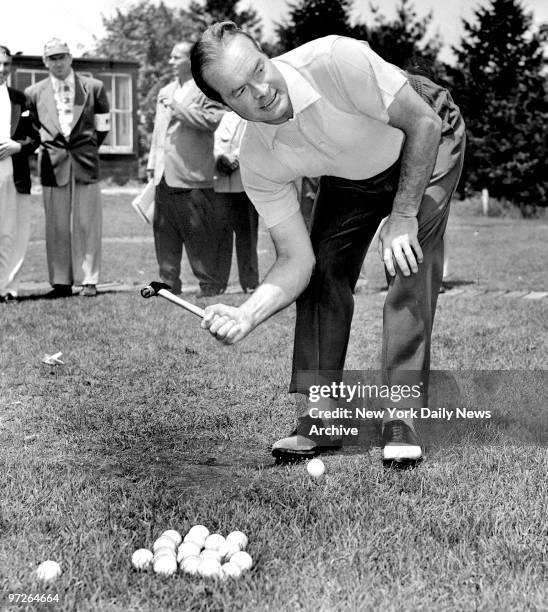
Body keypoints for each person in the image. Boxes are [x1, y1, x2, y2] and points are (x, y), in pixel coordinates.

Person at [191, 23, 465, 465]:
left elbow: (424, 123)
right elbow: (295, 260)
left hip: (427, 133)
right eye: (239, 91)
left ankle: (401, 416)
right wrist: (247, 314)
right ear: (222, 104)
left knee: (407, 258)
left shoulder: (336, 60)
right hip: (354, 169)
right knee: (321, 269)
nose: (261, 91)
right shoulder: (259, 159)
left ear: (266, 52)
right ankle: (323, 417)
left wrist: (402, 215)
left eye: (259, 69)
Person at [26, 39, 110, 298]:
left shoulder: (93, 87)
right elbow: (31, 130)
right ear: (45, 62)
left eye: (62, 56)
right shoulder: (33, 92)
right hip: (53, 164)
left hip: (85, 162)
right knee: (56, 224)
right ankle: (61, 282)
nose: (58, 62)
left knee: (88, 222)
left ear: (71, 58)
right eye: (52, 58)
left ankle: (89, 280)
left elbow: (103, 127)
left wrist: (86, 147)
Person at [147, 42, 231, 297]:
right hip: (164, 175)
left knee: (199, 236)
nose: (170, 60)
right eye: (170, 56)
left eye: (176, 56)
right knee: (164, 233)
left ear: (191, 60)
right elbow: (159, 132)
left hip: (193, 177)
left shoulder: (207, 89)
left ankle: (209, 285)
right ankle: (168, 284)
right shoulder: (166, 90)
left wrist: (177, 107)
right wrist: (152, 166)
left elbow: (212, 121)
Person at [0, 45, 40, 303]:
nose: (2, 69)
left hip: (14, 172)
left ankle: (7, 288)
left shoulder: (20, 99)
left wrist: (19, 146)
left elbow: (35, 138)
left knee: (11, 232)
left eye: (6, 64)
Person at [213, 111, 259, 293]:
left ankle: (249, 282)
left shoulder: (252, 117)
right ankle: (218, 283)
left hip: (245, 184)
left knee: (247, 236)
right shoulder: (226, 117)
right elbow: (215, 143)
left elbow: (254, 142)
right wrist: (221, 158)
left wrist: (235, 158)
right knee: (221, 237)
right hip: (223, 184)